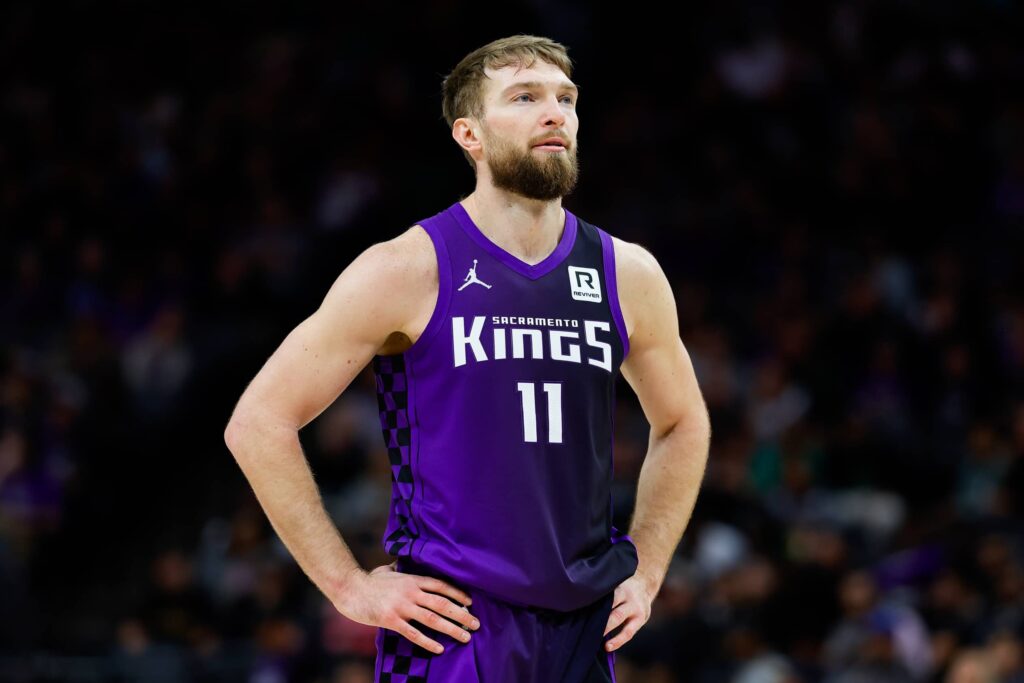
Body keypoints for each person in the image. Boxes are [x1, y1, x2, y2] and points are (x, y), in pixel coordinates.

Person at [224, 34, 711, 682]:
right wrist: (348, 584)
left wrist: (647, 569)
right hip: (456, 628)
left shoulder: (627, 272)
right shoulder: (406, 267)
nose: (555, 113)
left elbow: (683, 422)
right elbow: (258, 421)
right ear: (468, 135)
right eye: (526, 97)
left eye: (566, 98)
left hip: (581, 627)